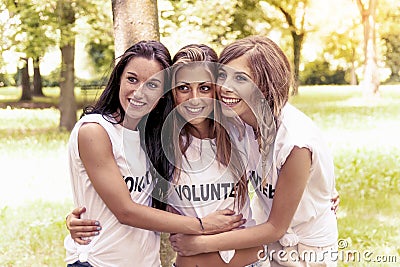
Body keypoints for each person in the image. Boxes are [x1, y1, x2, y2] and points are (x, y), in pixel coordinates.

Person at [63, 40, 245, 267]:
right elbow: (126, 211)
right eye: (132, 79)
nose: (139, 91)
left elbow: (150, 200)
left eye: (152, 84)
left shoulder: (152, 136)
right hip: (99, 262)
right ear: (118, 79)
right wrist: (201, 224)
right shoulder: (96, 130)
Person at [169, 36, 339, 267]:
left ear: (266, 85)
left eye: (241, 79)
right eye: (223, 76)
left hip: (308, 249)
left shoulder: (295, 142)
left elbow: (276, 228)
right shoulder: (241, 123)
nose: (226, 88)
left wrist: (199, 243)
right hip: (270, 245)